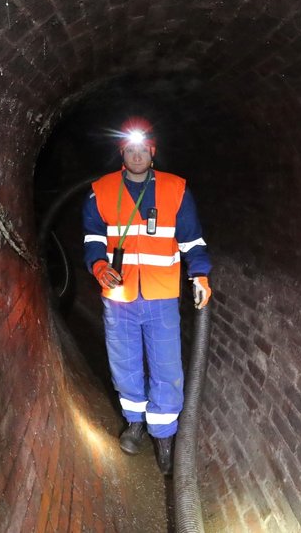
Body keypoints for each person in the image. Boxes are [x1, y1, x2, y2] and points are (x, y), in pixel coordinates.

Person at [82, 117, 212, 475]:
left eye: (143, 149)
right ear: (122, 153)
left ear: (152, 153)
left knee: (167, 367)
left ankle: (164, 437)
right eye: (130, 149)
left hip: (161, 294)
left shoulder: (176, 190)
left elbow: (192, 240)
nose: (137, 155)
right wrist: (97, 266)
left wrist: (199, 274)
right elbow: (92, 237)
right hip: (119, 293)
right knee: (124, 362)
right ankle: (135, 422)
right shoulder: (101, 191)